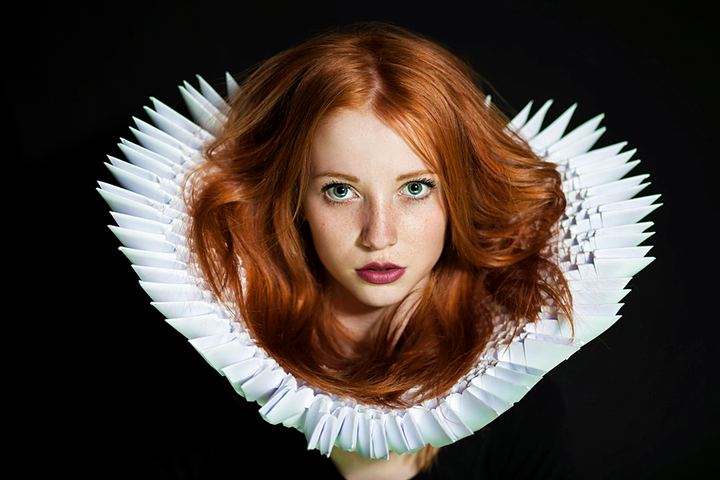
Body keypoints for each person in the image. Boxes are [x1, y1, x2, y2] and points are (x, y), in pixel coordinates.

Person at [100, 22, 656, 480]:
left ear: (458, 198)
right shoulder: (194, 404)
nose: (379, 234)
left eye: (416, 188)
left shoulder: (523, 407)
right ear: (296, 203)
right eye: (340, 191)